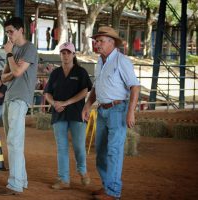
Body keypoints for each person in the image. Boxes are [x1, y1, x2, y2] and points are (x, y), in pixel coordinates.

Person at [81, 26, 140, 200]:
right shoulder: (100, 61)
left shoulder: (122, 61)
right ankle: (107, 186)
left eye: (100, 41)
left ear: (111, 42)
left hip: (118, 110)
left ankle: (113, 191)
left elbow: (135, 87)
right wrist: (87, 105)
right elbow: (97, 87)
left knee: (113, 151)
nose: (97, 44)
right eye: (96, 40)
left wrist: (131, 112)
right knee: (100, 151)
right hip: (103, 110)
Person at [0, 17, 38, 195]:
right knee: (13, 140)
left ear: (21, 30)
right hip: (10, 96)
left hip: (20, 98)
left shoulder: (29, 48)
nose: (9, 35)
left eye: (11, 31)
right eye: (7, 32)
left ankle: (15, 184)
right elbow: (3, 77)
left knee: (14, 141)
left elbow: (17, 72)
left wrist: (9, 56)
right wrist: (12, 67)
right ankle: (21, 180)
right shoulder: (14, 52)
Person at [44, 42, 92, 190]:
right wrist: (54, 103)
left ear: (73, 54)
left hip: (77, 113)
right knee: (62, 148)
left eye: (68, 53)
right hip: (58, 114)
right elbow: (47, 93)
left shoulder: (81, 72)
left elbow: (85, 91)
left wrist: (66, 102)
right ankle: (64, 179)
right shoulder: (55, 73)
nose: (65, 55)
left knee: (78, 146)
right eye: (63, 53)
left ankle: (82, 170)